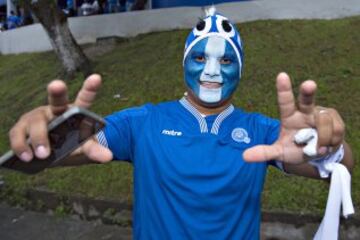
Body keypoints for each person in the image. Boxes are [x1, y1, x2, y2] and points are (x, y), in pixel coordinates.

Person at [7, 7, 354, 240]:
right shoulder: (143, 123)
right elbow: (62, 151)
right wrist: (54, 136)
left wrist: (329, 145)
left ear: (241, 68)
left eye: (227, 60)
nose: (212, 71)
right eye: (201, 57)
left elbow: (340, 167)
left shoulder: (264, 134)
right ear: (184, 62)